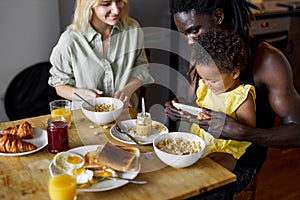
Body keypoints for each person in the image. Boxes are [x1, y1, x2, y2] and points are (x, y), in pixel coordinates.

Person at [165, 0, 300, 195]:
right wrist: (182, 108)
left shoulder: (268, 61)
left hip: (239, 161)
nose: (189, 42)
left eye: (194, 31)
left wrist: (243, 132)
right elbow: (199, 102)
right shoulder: (201, 55)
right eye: (185, 34)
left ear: (218, 17)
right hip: (203, 148)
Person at [48, 0, 154, 109]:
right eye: (106, 4)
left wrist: (126, 91)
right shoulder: (70, 40)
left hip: (126, 114)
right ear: (89, 6)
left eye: (119, 1)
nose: (116, 10)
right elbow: (60, 86)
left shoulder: (132, 29)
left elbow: (141, 68)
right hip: (85, 118)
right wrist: (83, 94)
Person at [190, 31, 256, 171]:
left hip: (226, 149)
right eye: (203, 78)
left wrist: (224, 125)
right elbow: (194, 105)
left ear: (234, 73)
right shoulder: (206, 85)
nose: (206, 84)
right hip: (200, 141)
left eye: (213, 80)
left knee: (209, 170)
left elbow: (247, 131)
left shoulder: (241, 97)